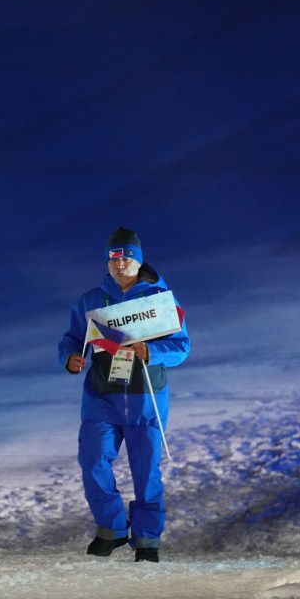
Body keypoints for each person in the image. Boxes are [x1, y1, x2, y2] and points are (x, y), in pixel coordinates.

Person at [57, 227, 190, 563]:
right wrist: (69, 358)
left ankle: (147, 538)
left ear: (138, 260)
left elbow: (181, 347)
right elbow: (72, 339)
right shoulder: (90, 301)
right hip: (102, 397)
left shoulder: (160, 300)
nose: (120, 263)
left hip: (146, 397)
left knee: (146, 471)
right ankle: (112, 528)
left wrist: (152, 351)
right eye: (114, 258)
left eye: (127, 257)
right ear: (107, 261)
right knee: (93, 461)